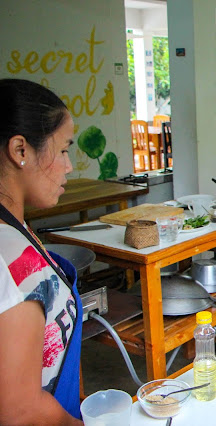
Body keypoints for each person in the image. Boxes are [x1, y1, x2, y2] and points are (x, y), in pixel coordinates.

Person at [0, 79, 83, 424]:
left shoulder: (16, 229)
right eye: (63, 149)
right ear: (21, 150)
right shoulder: (6, 258)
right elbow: (22, 411)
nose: (69, 166)